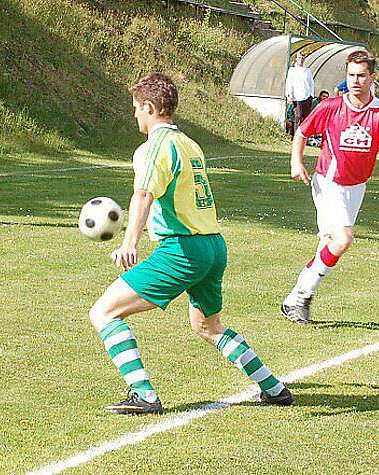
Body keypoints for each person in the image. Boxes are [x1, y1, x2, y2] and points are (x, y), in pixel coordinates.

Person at [89, 73, 293, 415]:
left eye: (137, 108)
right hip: (213, 245)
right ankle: (273, 388)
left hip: (183, 250)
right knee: (207, 326)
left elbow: (143, 194)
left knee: (104, 312)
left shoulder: (154, 147)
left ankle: (144, 395)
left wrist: (129, 242)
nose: (135, 115)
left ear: (151, 107)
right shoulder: (189, 144)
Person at [281, 50, 379, 324]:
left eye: (361, 75)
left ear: (372, 77)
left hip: (357, 187)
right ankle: (302, 298)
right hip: (328, 182)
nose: (355, 81)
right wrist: (296, 162)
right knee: (343, 239)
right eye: (351, 75)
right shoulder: (331, 107)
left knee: (329, 244)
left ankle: (294, 298)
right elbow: (302, 132)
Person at [285, 53, 314, 136]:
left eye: (303, 58)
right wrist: (289, 96)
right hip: (296, 97)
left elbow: (311, 83)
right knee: (298, 116)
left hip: (307, 96)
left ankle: (304, 136)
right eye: (299, 58)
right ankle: (296, 136)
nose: (301, 59)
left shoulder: (307, 70)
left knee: (306, 117)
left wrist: (311, 95)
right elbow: (289, 83)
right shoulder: (292, 70)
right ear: (296, 59)